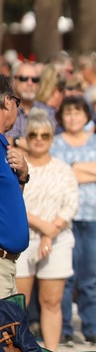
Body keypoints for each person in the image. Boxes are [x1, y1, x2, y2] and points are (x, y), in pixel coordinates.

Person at [51, 96, 96, 346]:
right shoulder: (56, 143)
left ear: (87, 116)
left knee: (90, 276)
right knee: (66, 276)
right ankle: (64, 326)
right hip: (66, 218)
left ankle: (91, 325)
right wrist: (91, 169)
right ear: (61, 117)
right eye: (68, 113)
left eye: (78, 113)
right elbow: (59, 173)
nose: (73, 117)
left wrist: (75, 167)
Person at [15, 111, 78, 352]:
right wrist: (42, 227)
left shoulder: (62, 169)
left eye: (45, 135)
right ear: (26, 137)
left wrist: (50, 234)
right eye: (33, 134)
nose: (39, 139)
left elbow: (71, 203)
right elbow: (14, 204)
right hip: (23, 240)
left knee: (52, 301)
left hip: (57, 240)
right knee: (18, 303)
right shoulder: (17, 168)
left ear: (52, 138)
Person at [1, 75, 31, 297]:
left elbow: (9, 204)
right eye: (17, 104)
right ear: (8, 101)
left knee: (12, 332)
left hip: (8, 265)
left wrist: (22, 176)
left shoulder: (4, 146)